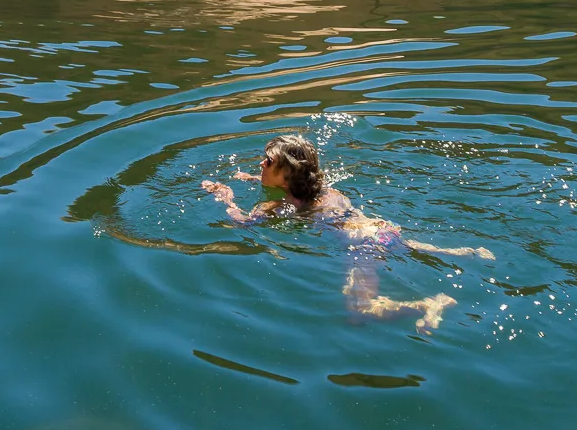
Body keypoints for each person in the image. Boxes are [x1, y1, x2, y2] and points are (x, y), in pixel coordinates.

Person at [200, 133, 493, 333]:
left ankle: (428, 304)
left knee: (360, 312)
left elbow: (243, 222)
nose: (260, 163)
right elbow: (294, 188)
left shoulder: (276, 206)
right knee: (405, 246)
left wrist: (225, 197)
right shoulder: (324, 191)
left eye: (268, 162)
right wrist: (253, 178)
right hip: (383, 229)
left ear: (287, 176)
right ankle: (465, 253)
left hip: (365, 246)